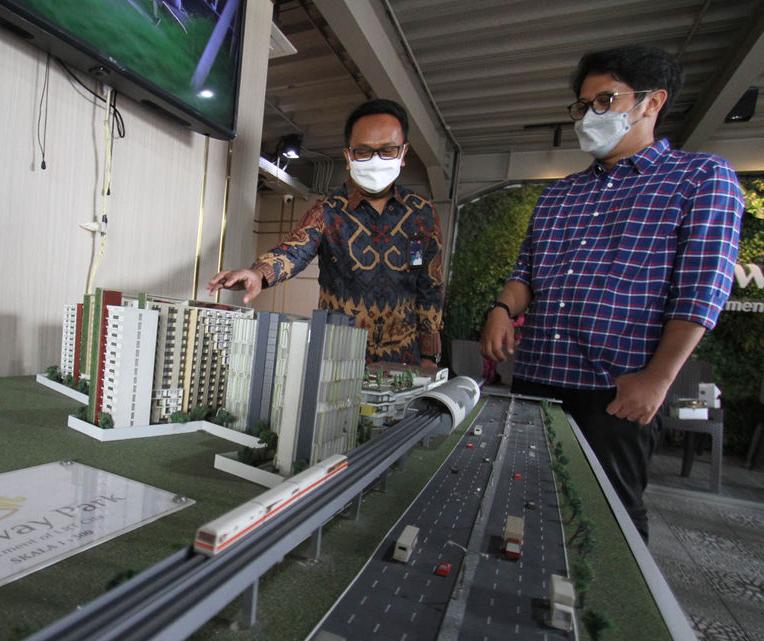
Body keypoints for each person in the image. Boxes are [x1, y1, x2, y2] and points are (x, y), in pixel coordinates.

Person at [480, 44, 743, 541]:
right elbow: (525, 276)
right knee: (522, 499)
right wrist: (500, 308)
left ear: (651, 102)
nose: (589, 115)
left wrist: (658, 379)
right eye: (583, 106)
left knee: (606, 517)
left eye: (605, 101)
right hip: (537, 379)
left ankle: (612, 617)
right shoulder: (560, 193)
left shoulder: (700, 178)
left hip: (616, 390)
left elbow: (702, 290)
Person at [207, 99, 443, 370]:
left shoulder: (422, 214)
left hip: (404, 360)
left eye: (387, 150)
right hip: (337, 358)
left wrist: (430, 358)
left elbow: (431, 289)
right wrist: (258, 273)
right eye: (364, 152)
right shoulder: (328, 211)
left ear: (402, 154)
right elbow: (294, 250)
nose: (376, 160)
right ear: (348, 157)